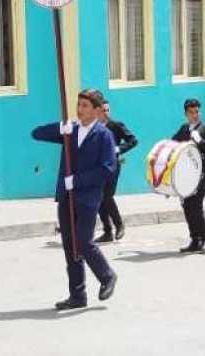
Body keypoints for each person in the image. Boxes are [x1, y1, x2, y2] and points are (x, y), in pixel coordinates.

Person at [32, 89, 118, 310]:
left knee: (83, 241)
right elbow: (36, 133)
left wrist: (77, 181)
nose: (80, 110)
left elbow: (107, 169)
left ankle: (107, 275)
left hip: (88, 198)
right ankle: (77, 295)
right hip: (66, 197)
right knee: (70, 246)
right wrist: (60, 127)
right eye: (79, 104)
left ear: (97, 110)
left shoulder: (103, 135)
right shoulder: (70, 130)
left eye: (85, 106)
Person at [172, 98, 205, 254]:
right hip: (187, 176)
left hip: (203, 175)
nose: (195, 115)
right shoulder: (184, 129)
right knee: (187, 206)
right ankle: (195, 239)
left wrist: (200, 141)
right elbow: (173, 143)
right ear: (186, 114)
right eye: (191, 112)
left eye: (197, 111)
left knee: (196, 205)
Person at [94, 99, 137, 243]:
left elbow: (133, 140)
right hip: (98, 168)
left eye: (107, 110)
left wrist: (119, 149)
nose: (106, 113)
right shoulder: (94, 127)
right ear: (97, 111)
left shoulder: (116, 125)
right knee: (99, 199)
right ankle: (107, 231)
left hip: (113, 165)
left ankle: (119, 225)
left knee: (107, 196)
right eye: (103, 110)